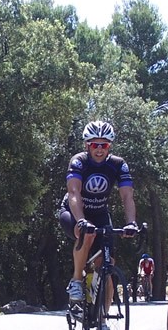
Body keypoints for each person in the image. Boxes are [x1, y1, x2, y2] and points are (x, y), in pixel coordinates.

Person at [58, 120, 139, 309]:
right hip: (73, 211)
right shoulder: (79, 161)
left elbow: (127, 195)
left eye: (104, 145)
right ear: (87, 145)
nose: (100, 149)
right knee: (87, 233)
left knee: (107, 265)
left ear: (109, 146)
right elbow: (74, 193)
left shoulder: (118, 164)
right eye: (95, 144)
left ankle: (103, 321)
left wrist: (131, 223)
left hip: (100, 214)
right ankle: (77, 281)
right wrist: (81, 220)